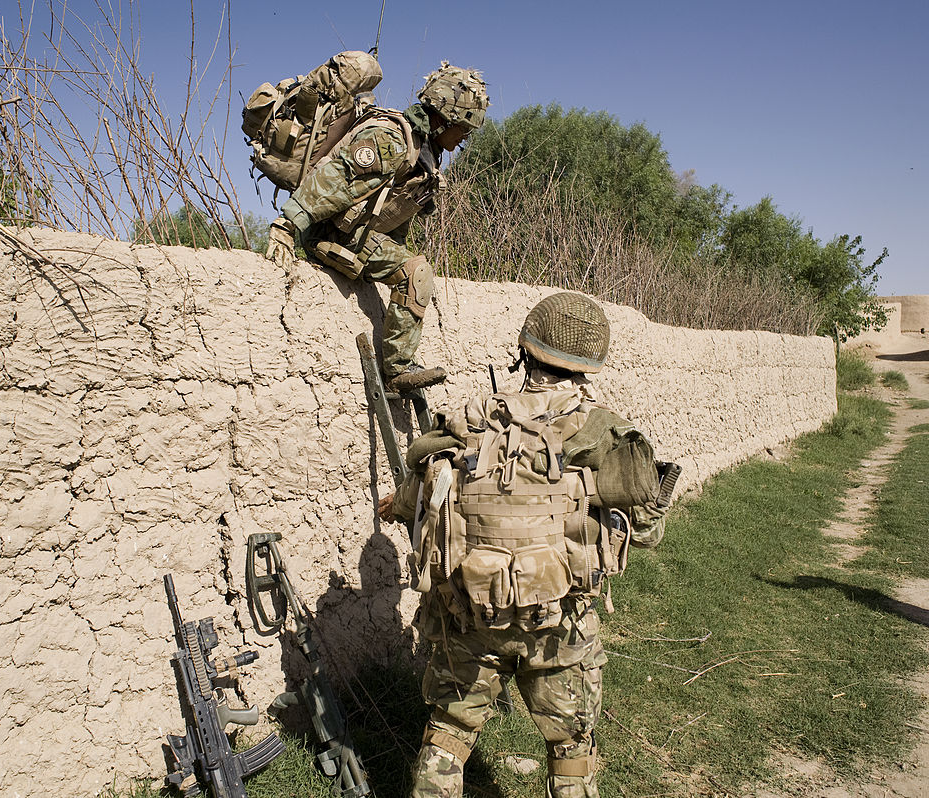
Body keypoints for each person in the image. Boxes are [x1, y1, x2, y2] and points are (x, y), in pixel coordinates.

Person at [378, 292, 673, 797]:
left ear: (526, 350)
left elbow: (412, 502)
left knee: (448, 737)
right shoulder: (604, 435)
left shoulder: (469, 422)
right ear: (590, 365)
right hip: (560, 627)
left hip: (469, 619)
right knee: (571, 749)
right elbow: (646, 532)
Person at [265, 62, 488, 394]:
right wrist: (286, 225)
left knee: (412, 270)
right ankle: (398, 369)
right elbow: (335, 180)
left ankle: (401, 365)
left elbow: (394, 217)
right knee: (417, 272)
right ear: (443, 119)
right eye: (463, 131)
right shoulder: (392, 139)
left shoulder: (424, 155)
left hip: (356, 236)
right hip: (332, 234)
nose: (462, 141)